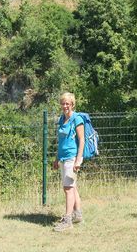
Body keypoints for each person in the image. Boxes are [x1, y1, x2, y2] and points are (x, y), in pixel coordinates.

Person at [53, 92, 84, 231]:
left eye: (67, 103)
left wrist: (78, 160)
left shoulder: (77, 119)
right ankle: (78, 215)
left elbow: (82, 140)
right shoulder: (61, 119)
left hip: (72, 158)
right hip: (63, 157)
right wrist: (56, 158)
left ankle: (67, 220)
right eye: (63, 103)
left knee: (67, 188)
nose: (65, 106)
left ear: (72, 104)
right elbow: (60, 141)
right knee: (72, 187)